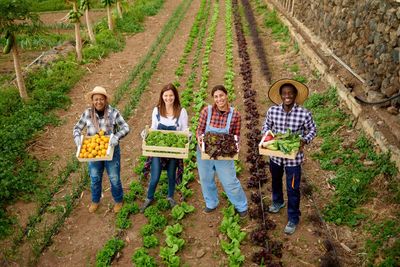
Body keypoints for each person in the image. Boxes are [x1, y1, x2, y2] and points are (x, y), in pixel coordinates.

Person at [262, 79, 316, 234]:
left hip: (294, 158)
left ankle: (293, 218)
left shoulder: (304, 113)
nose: (287, 96)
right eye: (285, 93)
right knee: (276, 180)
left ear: (295, 95)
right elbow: (266, 126)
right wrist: (267, 134)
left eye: (290, 93)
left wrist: (304, 140)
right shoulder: (272, 111)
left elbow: (313, 130)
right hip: (275, 156)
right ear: (280, 95)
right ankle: (277, 202)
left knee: (293, 188)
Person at [73, 86, 130, 213]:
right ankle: (95, 200)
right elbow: (77, 128)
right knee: (94, 178)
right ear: (92, 101)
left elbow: (125, 127)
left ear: (105, 100)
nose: (98, 102)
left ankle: (118, 200)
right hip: (93, 152)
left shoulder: (113, 113)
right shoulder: (87, 113)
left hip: (111, 150)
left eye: (101, 99)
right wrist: (77, 138)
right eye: (96, 99)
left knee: (114, 177)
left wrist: (116, 136)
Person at [196, 85, 248, 217]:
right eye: (216, 96)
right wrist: (202, 144)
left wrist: (235, 146)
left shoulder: (235, 115)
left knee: (229, 180)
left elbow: (236, 136)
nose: (219, 99)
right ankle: (211, 203)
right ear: (213, 99)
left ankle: (241, 205)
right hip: (206, 152)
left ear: (226, 95)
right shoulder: (206, 111)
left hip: (224, 153)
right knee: (206, 178)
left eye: (221, 95)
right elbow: (199, 131)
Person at [140, 83, 188, 213]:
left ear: (175, 96)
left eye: (171, 95)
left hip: (173, 150)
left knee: (171, 175)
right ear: (162, 96)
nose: (168, 98)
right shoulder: (157, 110)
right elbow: (153, 128)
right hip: (158, 149)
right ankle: (149, 197)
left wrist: (188, 137)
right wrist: (146, 133)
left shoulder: (181, 111)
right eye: (166, 95)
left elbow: (184, 130)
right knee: (155, 176)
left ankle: (170, 197)